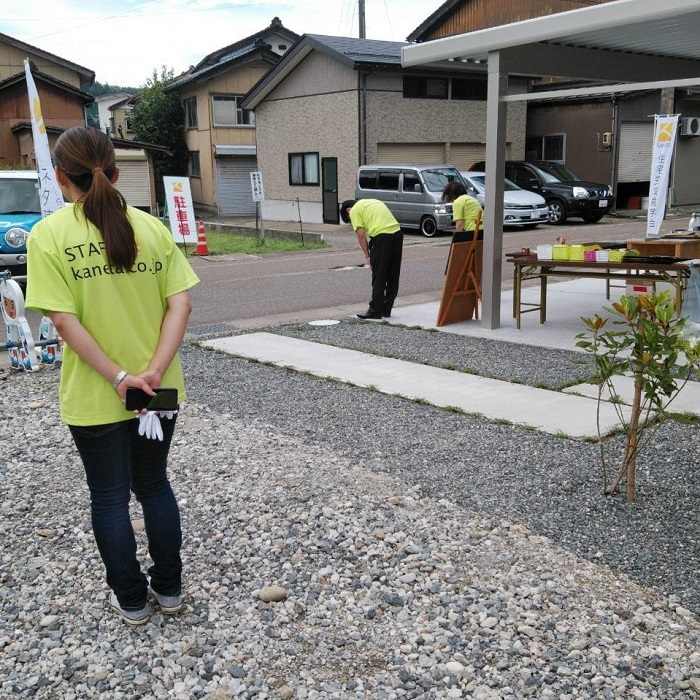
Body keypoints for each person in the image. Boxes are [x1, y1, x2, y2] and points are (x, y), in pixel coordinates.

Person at [25, 126, 199, 626]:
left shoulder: (50, 235)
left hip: (97, 393)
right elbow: (180, 302)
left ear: (60, 176)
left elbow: (62, 320)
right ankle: (168, 589)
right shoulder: (152, 228)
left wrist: (120, 377)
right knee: (154, 485)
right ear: (117, 172)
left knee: (108, 495)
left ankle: (129, 598)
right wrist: (152, 372)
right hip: (159, 389)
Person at [339, 199, 403, 319]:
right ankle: (386, 309)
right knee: (393, 274)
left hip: (382, 238)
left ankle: (375, 311)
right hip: (398, 234)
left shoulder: (354, 210)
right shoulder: (373, 202)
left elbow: (361, 234)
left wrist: (367, 256)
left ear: (348, 210)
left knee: (379, 275)